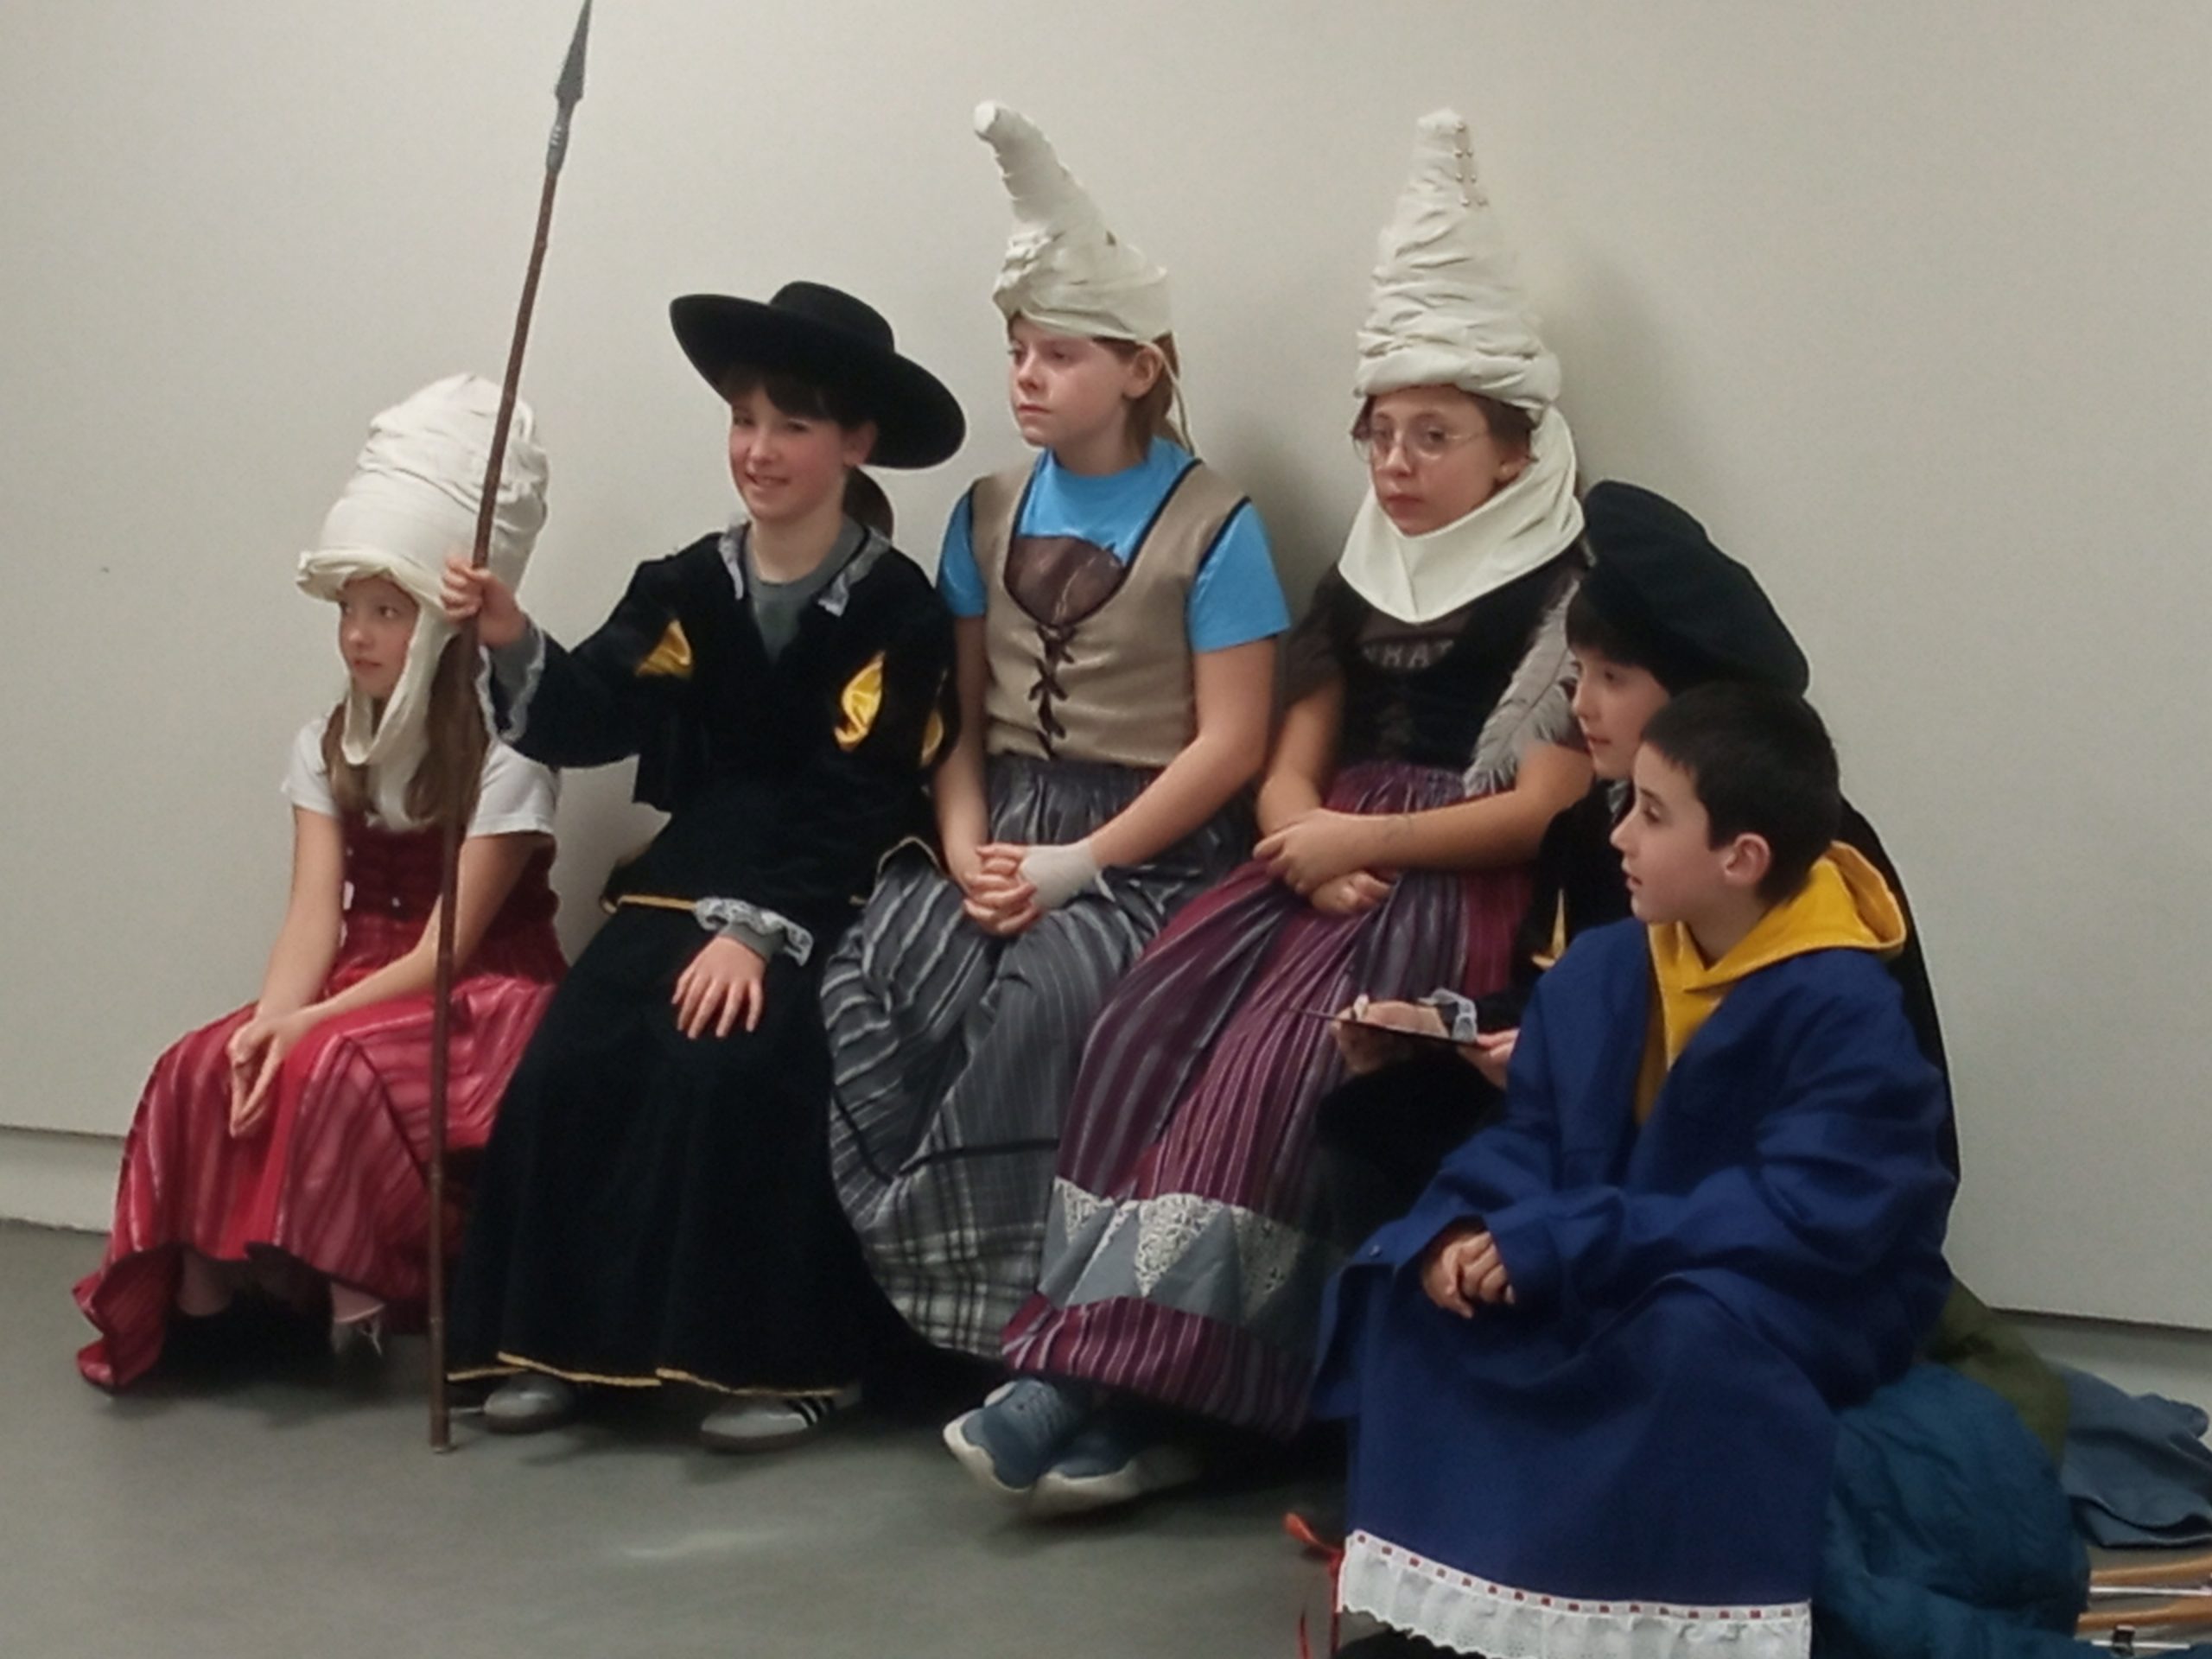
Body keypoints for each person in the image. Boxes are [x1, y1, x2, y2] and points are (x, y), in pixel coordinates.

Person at [963, 109, 1589, 1511]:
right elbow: (1294, 751)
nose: (1397, 465)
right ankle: (1093, 1361)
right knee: (1148, 1017)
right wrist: (1302, 833)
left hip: (1447, 884)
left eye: (1435, 437)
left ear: (1513, 450)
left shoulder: (1562, 589)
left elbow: (1537, 806)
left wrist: (1361, 841)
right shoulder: (1366, 578)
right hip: (1318, 861)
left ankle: (1168, 1396)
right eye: (1382, 435)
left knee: (1282, 1072)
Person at [1312, 683, 1956, 1659]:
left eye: (1652, 814)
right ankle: (1475, 1620)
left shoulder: (1846, 1005)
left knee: (1683, 1340)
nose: (1618, 836)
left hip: (1790, 1288)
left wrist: (1565, 1241)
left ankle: (1645, 1629)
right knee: (1415, 1293)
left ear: (1741, 859)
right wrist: (1464, 1225)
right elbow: (1530, 1135)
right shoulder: (1607, 965)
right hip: (1613, 1250)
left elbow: (1801, 1213)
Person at [442, 282, 963, 1451]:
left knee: (735, 1056)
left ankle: (783, 1360)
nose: (758, 450)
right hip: (693, 859)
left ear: (855, 443)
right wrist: (512, 637)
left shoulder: (896, 608)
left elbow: (861, 785)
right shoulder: (686, 583)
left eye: (792, 425)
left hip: (831, 876)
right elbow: (589, 711)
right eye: (743, 420)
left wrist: (756, 931)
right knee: (579, 1049)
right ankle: (553, 1343)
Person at [821, 104, 1285, 1362]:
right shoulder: (983, 511)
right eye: (1018, 352)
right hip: (1004, 821)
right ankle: (890, 1304)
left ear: (1138, 370)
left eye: (1060, 355)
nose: (1026, 376)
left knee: (1041, 1006)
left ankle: (1010, 1322)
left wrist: (1083, 864)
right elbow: (961, 721)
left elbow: (1231, 744)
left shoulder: (1215, 523)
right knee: (884, 971)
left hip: (1148, 844)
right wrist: (965, 851)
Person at [74, 375, 564, 1389]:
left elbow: (447, 952)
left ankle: (356, 1296)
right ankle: (215, 1299)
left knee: (329, 1061)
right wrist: (273, 1023)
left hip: (479, 998)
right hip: (356, 978)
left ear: (440, 622)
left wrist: (311, 1027)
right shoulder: (326, 743)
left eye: (387, 611)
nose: (357, 635)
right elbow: (312, 918)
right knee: (207, 1062)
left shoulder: (511, 755)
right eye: (350, 609)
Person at [1315, 478, 1955, 1248]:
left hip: (1717, 1148)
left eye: (1612, 680)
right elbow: (1548, 991)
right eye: (1578, 674)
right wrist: (1439, 1027)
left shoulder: (1813, 846)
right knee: (1371, 1124)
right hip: (1598, 1111)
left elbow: (1771, 1069)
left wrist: (1572, 1065)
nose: (1580, 705)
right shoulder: (1589, 823)